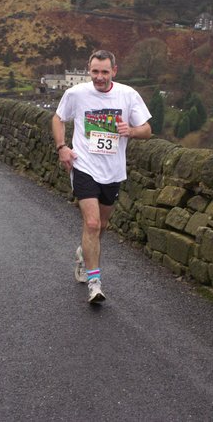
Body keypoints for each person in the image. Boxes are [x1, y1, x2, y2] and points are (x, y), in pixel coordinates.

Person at [52, 50, 152, 303]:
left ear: (114, 71)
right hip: (84, 166)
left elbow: (147, 130)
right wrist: (62, 147)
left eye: (104, 72)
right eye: (95, 71)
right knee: (93, 223)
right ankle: (94, 282)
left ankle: (83, 253)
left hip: (113, 171)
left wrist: (131, 130)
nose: (99, 77)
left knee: (102, 226)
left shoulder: (128, 95)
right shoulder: (76, 94)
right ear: (89, 69)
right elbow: (58, 118)